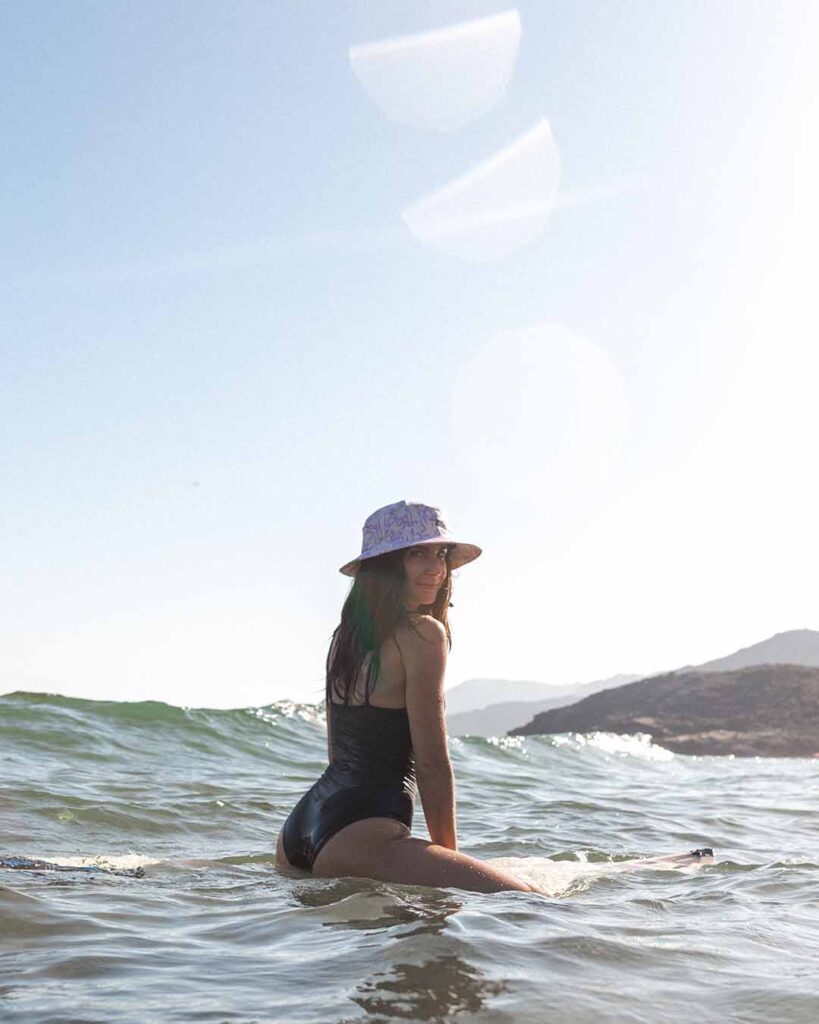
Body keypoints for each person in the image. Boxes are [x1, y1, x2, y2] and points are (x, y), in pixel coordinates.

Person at [275, 500, 539, 895]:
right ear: (386, 564)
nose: (435, 567)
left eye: (441, 553)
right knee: (534, 905)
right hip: (358, 834)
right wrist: (447, 862)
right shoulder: (423, 635)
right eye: (417, 553)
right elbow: (432, 761)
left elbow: (337, 753)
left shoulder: (343, 639)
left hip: (300, 831)